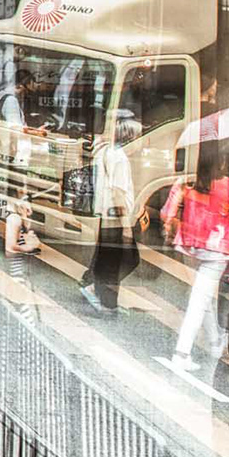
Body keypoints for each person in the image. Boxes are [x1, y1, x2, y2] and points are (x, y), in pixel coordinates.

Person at [163, 145, 229, 371]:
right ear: (221, 162)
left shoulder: (186, 183)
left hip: (189, 247)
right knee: (199, 301)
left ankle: (214, 343)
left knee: (203, 298)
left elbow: (167, 213)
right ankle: (181, 353)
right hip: (216, 251)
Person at [80, 111, 139, 314]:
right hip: (114, 217)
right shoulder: (119, 157)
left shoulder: (106, 151)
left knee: (108, 259)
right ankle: (100, 295)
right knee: (126, 260)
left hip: (105, 214)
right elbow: (118, 192)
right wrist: (126, 225)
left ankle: (104, 297)